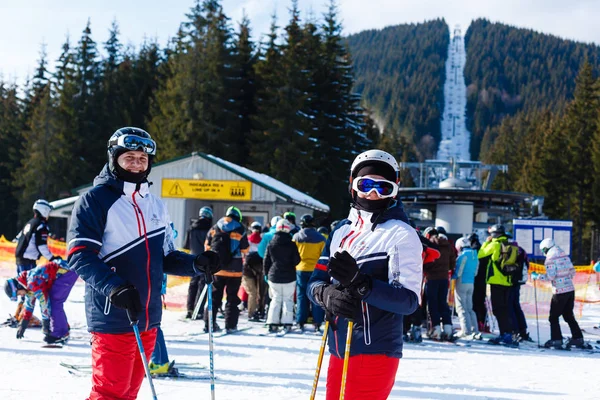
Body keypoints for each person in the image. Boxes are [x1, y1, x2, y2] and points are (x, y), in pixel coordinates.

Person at [67, 127, 220, 400]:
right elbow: (80, 255)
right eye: (129, 157)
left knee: (129, 393)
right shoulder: (95, 200)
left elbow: (166, 257)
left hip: (148, 317)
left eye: (142, 158)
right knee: (109, 393)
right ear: (114, 159)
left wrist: (197, 263)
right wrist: (114, 288)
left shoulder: (154, 203)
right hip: (114, 313)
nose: (137, 163)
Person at [308, 149, 423, 400]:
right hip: (339, 347)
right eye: (366, 184)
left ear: (395, 190)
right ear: (352, 186)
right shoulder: (341, 231)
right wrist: (325, 294)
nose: (373, 193)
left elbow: (408, 301)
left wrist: (362, 284)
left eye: (384, 187)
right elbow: (314, 281)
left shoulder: (401, 234)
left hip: (375, 350)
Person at [3, 259, 77, 344]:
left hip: (66, 272)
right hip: (63, 273)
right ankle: (62, 327)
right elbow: (29, 305)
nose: (21, 295)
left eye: (19, 294)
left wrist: (46, 323)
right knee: (53, 302)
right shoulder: (26, 284)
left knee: (55, 302)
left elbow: (44, 301)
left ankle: (60, 333)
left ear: (18, 287)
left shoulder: (32, 282)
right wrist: (23, 324)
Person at [533, 238, 586, 349]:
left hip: (559, 291)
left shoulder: (550, 259)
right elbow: (572, 272)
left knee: (553, 317)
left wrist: (538, 276)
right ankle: (578, 338)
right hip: (570, 289)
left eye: (543, 250)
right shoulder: (563, 255)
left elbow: (551, 276)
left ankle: (556, 339)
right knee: (568, 315)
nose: (543, 253)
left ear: (546, 248)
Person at [204, 206, 250, 333]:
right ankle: (230, 325)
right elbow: (245, 249)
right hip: (235, 270)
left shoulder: (215, 227)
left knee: (214, 297)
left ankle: (209, 324)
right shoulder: (240, 228)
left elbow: (207, 246)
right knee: (232, 298)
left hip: (217, 269)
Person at [477, 224, 518, 346]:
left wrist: (486, 242)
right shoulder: (508, 243)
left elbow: (481, 254)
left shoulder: (495, 244)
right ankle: (508, 333)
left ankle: (504, 335)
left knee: (498, 309)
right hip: (508, 281)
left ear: (494, 234)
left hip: (496, 281)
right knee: (505, 309)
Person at [264, 219, 301, 333]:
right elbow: (297, 260)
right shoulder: (292, 244)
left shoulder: (271, 243)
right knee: (288, 300)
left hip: (273, 276)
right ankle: (287, 323)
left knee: (275, 299)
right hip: (289, 276)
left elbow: (266, 261)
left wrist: (266, 273)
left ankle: (272, 323)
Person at [293, 214, 326, 332]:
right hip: (315, 270)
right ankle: (317, 322)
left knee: (301, 296)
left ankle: (300, 321)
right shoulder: (321, 238)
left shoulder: (296, 237)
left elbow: (293, 254)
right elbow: (324, 256)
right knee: (316, 296)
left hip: (300, 269)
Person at [424, 232, 456, 340]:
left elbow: (427, 261)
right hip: (444, 278)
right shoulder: (448, 246)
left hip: (432, 278)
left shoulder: (432, 244)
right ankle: (448, 329)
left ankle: (436, 330)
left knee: (433, 304)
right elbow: (452, 264)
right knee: (443, 303)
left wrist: (427, 270)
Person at [183, 206, 213, 319]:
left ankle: (189, 309)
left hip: (192, 259)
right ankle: (198, 310)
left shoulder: (192, 228)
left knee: (193, 284)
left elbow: (186, 245)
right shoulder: (210, 228)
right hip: (205, 259)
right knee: (202, 284)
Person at [452, 237, 480, 339]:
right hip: (471, 282)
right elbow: (476, 271)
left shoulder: (463, 256)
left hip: (462, 282)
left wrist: (453, 277)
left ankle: (465, 330)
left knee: (461, 307)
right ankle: (475, 330)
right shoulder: (475, 255)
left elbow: (459, 271)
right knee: (469, 308)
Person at [508, 240, 532, 342]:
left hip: (511, 281)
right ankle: (523, 330)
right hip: (519, 282)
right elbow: (527, 264)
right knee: (516, 306)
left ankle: (515, 330)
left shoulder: (510, 250)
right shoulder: (522, 250)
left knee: (510, 306)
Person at [242, 251, 264, 321]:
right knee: (253, 293)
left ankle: (255, 311)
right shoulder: (259, 260)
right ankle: (251, 313)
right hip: (247, 274)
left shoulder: (258, 257)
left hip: (249, 272)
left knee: (256, 293)